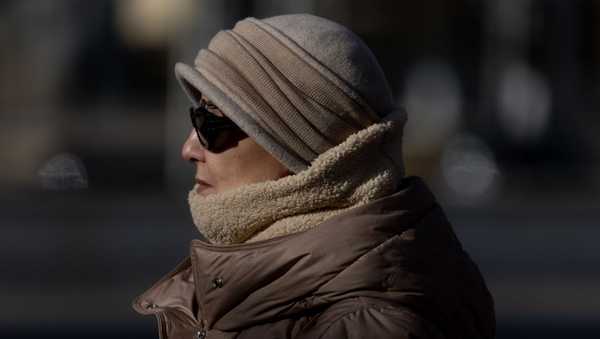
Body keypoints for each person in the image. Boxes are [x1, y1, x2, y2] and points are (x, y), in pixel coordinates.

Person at [132, 13, 495, 339]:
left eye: (211, 124)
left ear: (299, 151)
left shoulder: (368, 326)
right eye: (193, 116)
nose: (189, 149)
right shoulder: (239, 292)